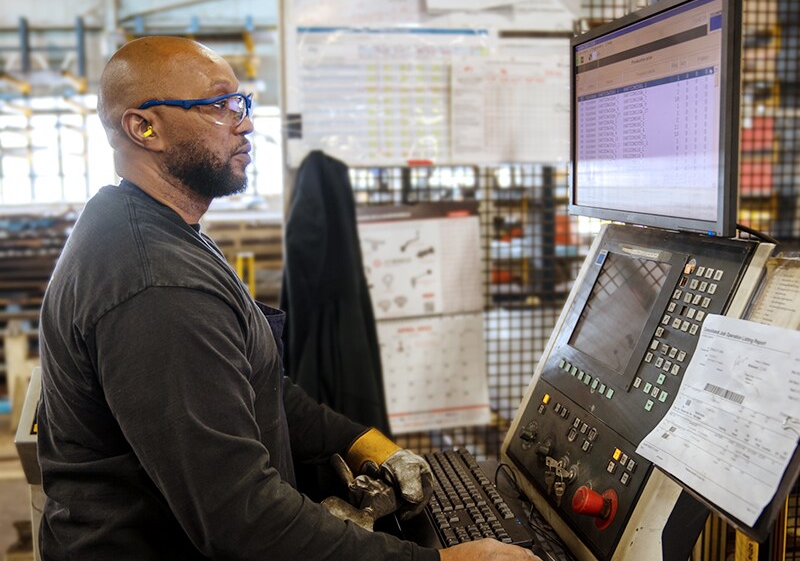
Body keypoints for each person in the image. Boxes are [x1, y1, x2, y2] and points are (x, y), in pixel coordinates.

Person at [36, 35, 541, 561]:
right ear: (144, 128)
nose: (245, 122)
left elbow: (259, 389)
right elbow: (241, 519)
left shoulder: (161, 233)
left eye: (242, 103)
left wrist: (370, 445)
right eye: (218, 105)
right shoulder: (158, 285)